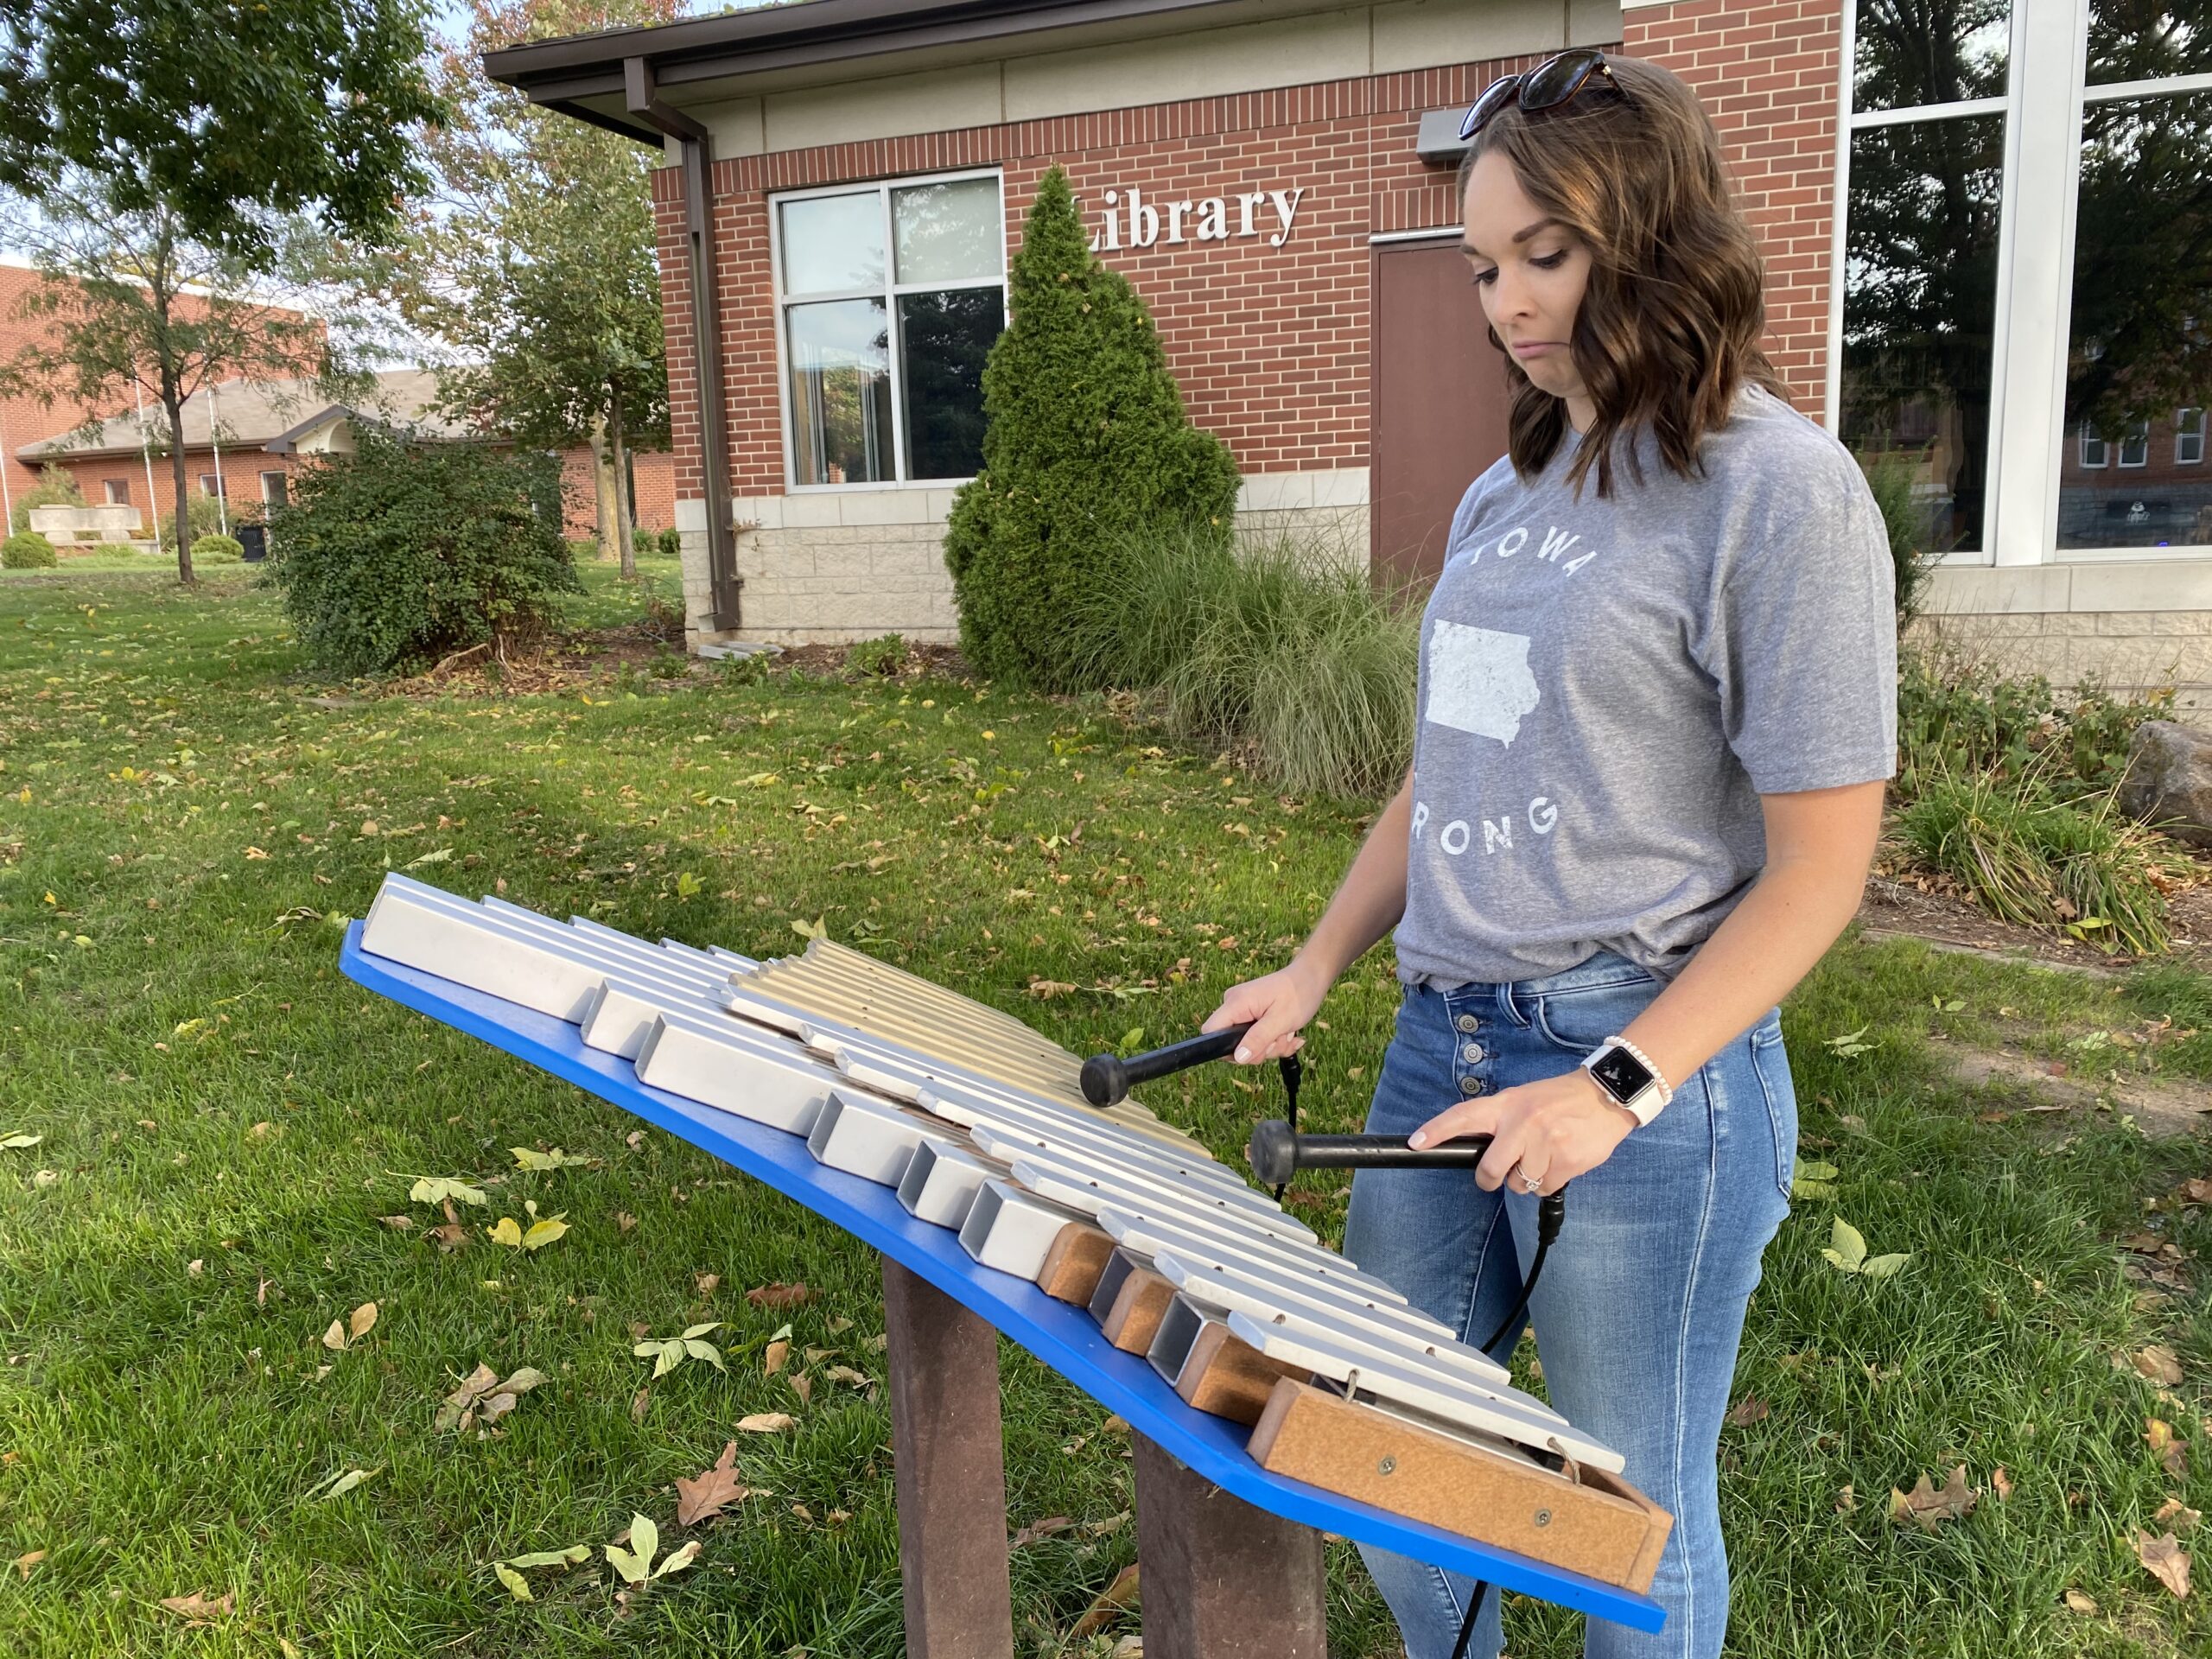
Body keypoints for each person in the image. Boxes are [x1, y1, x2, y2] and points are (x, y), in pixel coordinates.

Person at [1204, 49, 1897, 1659]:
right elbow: (1444, 770)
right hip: (1441, 1044)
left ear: (1650, 235)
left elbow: (1820, 874)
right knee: (1374, 1457)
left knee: (1624, 1523)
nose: (1507, 302)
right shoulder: (1508, 490)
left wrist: (1611, 1093)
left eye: (1546, 254)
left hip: (1643, 1073)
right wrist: (1315, 966)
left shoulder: (1778, 495)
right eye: (1482, 266)